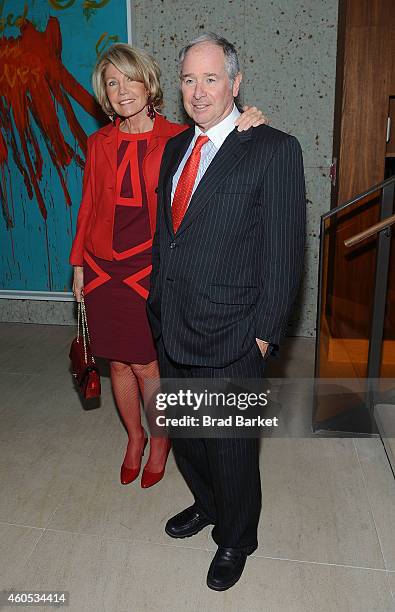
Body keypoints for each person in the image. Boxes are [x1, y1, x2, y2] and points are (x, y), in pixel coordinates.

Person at [147, 33, 306, 589]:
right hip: (173, 325)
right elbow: (170, 235)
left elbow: (286, 254)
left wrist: (263, 335)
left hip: (235, 333)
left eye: (211, 78)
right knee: (189, 437)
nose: (198, 91)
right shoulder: (174, 149)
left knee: (232, 447)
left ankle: (237, 537)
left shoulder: (272, 147)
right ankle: (209, 505)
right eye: (189, 79)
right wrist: (156, 306)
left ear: (235, 84)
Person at [70, 43, 266, 489]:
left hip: (151, 269)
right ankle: (135, 438)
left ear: (149, 82)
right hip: (102, 268)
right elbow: (87, 207)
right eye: (112, 83)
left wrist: (250, 120)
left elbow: (226, 144)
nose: (122, 91)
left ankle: (161, 439)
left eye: (129, 79)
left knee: (147, 364)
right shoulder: (98, 141)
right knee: (117, 363)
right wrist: (77, 263)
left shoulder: (181, 135)